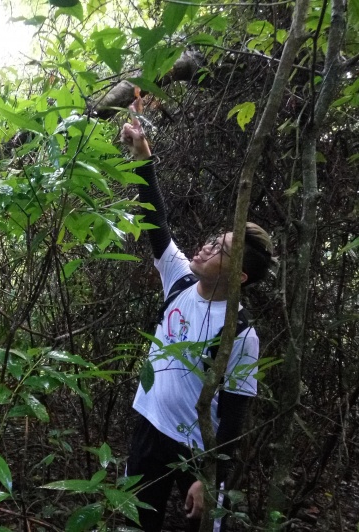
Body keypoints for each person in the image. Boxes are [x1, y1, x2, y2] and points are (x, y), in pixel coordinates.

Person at [121, 104, 274, 532]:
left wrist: (213, 478)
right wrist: (142, 153)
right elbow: (156, 219)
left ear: (239, 276)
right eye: (212, 240)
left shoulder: (240, 332)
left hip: (195, 450)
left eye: (221, 249)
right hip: (148, 424)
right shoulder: (180, 280)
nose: (207, 248)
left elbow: (236, 412)